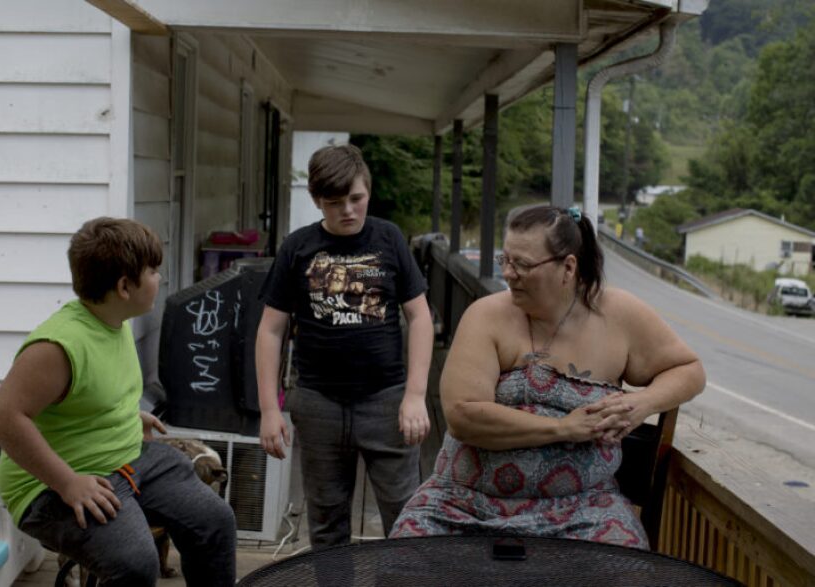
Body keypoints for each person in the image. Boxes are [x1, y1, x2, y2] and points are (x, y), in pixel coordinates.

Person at [390, 205, 705, 549]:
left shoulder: (619, 315)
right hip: (462, 505)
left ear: (568, 267)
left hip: (585, 511)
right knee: (402, 567)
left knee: (628, 573)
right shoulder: (486, 316)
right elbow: (463, 416)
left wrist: (643, 402)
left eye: (522, 264)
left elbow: (690, 370)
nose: (509, 274)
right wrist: (562, 429)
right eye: (505, 260)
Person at [0, 217, 236, 585]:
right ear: (123, 286)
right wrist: (68, 482)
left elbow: (86, 395)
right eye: (152, 270)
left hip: (125, 459)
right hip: (51, 485)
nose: (159, 279)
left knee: (215, 522)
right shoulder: (58, 347)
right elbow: (3, 418)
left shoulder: (112, 320)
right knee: (135, 562)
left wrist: (128, 416)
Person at [256, 144, 434, 550]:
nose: (349, 210)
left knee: (407, 518)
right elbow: (270, 331)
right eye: (335, 202)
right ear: (317, 200)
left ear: (368, 191)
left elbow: (420, 317)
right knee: (325, 522)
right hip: (319, 403)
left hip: (388, 402)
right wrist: (270, 408)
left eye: (357, 199)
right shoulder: (297, 247)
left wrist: (416, 395)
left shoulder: (388, 238)